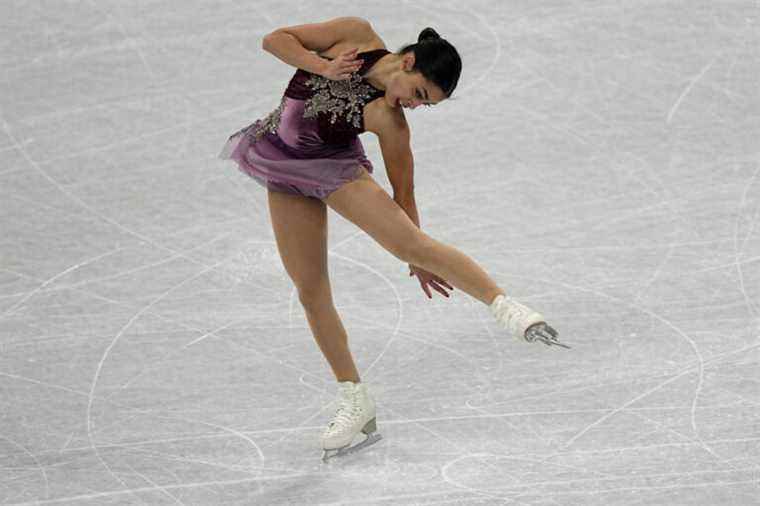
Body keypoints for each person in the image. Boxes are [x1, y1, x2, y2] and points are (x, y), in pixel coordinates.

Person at [218, 16, 568, 462]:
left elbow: (405, 192)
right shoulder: (355, 35)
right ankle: (355, 400)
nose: (417, 106)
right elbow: (274, 40)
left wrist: (418, 256)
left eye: (428, 105)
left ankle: (508, 309)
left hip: (332, 169)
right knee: (310, 291)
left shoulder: (389, 118)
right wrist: (319, 66)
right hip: (281, 162)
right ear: (407, 61)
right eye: (420, 94)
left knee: (410, 244)